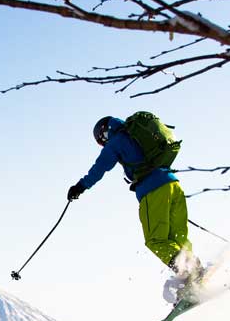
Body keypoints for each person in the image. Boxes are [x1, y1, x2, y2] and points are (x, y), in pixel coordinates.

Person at [67, 115, 203, 298]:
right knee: (177, 238)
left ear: (104, 132)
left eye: (101, 140)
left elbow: (100, 167)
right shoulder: (137, 134)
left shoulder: (117, 141)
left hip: (153, 190)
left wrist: (80, 186)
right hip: (173, 185)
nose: (103, 143)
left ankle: (190, 276)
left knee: (156, 240)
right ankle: (196, 273)